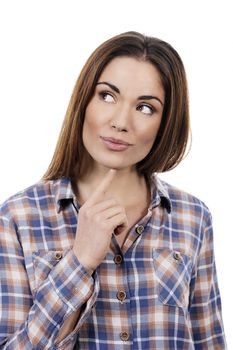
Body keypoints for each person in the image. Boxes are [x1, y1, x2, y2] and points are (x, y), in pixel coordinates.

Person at [0, 31, 227, 349]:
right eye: (107, 96)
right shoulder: (18, 216)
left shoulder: (193, 217)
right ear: (84, 102)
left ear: (166, 123)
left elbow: (210, 341)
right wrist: (79, 263)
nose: (121, 121)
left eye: (145, 107)